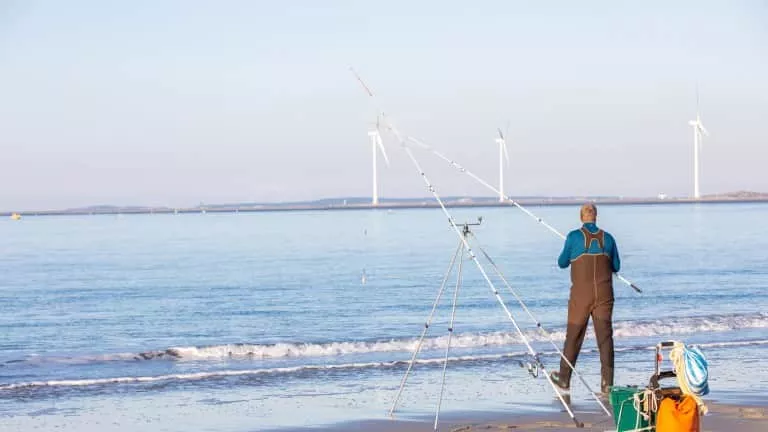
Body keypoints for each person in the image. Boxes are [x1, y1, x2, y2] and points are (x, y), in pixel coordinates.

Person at [550, 203, 620, 395]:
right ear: (595, 216)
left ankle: (564, 378)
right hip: (604, 294)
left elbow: (562, 263)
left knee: (574, 335)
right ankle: (608, 384)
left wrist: (572, 251)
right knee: (605, 339)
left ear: (581, 217)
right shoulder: (609, 238)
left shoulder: (573, 237)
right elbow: (616, 266)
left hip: (581, 295)